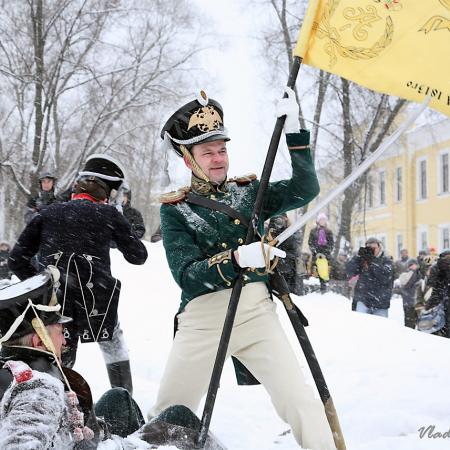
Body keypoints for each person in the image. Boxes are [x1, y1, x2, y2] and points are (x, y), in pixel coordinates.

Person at [148, 90, 336, 450]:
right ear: (189, 160)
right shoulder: (176, 209)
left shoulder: (250, 192)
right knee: (169, 415)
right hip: (203, 321)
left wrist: (295, 133)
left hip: (255, 316)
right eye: (207, 152)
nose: (218, 159)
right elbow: (186, 274)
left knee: (302, 405)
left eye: (222, 149)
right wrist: (236, 259)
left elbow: (305, 188)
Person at [8, 154, 148, 394]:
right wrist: (118, 223)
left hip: (55, 301)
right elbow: (138, 256)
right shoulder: (109, 215)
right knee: (112, 342)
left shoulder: (48, 213)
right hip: (97, 300)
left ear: (75, 191)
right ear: (106, 195)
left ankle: (53, 403)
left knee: (60, 355)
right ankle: (124, 398)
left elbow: (15, 261)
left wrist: (43, 284)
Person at [0, 270, 146, 449]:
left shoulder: (10, 368)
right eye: (60, 332)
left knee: (118, 397)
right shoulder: (39, 388)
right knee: (179, 416)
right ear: (38, 341)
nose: (64, 341)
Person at [346, 237, 393, 317]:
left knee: (381, 327)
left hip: (380, 301)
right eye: (369, 248)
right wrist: (357, 258)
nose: (371, 250)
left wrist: (372, 261)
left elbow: (384, 277)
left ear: (379, 248)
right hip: (363, 299)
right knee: (360, 325)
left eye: (374, 248)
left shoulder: (387, 260)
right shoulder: (363, 259)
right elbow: (350, 271)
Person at [417, 250, 450, 337]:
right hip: (439, 305)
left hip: (438, 304)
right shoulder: (436, 269)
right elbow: (434, 289)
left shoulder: (435, 268)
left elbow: (434, 289)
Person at [267, 214, 303, 295]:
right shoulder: (270, 231)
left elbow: (295, 250)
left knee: (286, 292)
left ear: (286, 219)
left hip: (287, 266)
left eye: (280, 219)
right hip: (272, 267)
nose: (278, 222)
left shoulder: (291, 231)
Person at [308, 213, 334, 293]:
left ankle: (323, 288)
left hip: (325, 256)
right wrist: (315, 252)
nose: (322, 221)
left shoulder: (329, 231)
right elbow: (310, 242)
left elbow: (331, 244)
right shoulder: (313, 231)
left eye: (324, 220)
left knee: (324, 271)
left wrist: (325, 253)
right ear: (318, 221)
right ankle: (314, 289)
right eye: (321, 219)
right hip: (316, 254)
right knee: (315, 271)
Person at [397, 258, 421, 328]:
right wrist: (411, 272)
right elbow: (404, 283)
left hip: (417, 302)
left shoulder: (419, 273)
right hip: (408, 302)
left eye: (414, 264)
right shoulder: (405, 274)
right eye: (411, 265)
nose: (413, 266)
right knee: (409, 324)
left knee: (420, 324)